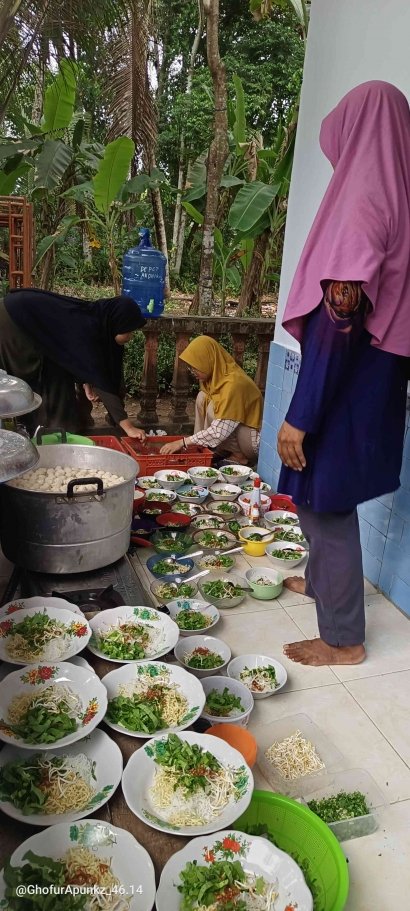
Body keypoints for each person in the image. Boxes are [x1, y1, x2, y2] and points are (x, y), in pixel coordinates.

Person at [276, 81, 410, 668]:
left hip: (344, 384)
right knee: (325, 494)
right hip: (376, 379)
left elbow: (337, 327)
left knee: (323, 502)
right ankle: (321, 582)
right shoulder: (400, 197)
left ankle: (343, 639)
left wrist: (300, 415)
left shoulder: (360, 204)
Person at [0, 288, 147, 439]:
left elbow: (77, 358)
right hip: (14, 319)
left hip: (21, 311)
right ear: (117, 322)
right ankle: (26, 435)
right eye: (128, 330)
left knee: (57, 374)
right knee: (30, 381)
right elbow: (100, 380)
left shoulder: (96, 318)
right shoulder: (90, 327)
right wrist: (128, 427)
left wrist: (86, 380)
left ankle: (55, 431)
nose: (130, 337)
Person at [160, 336, 263, 463]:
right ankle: (204, 449)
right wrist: (194, 445)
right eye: (191, 368)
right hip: (236, 434)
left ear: (208, 360)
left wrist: (182, 443)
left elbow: (219, 431)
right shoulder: (216, 377)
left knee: (212, 410)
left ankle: (239, 456)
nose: (192, 372)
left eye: (195, 366)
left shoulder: (233, 384)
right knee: (202, 397)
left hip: (251, 442)